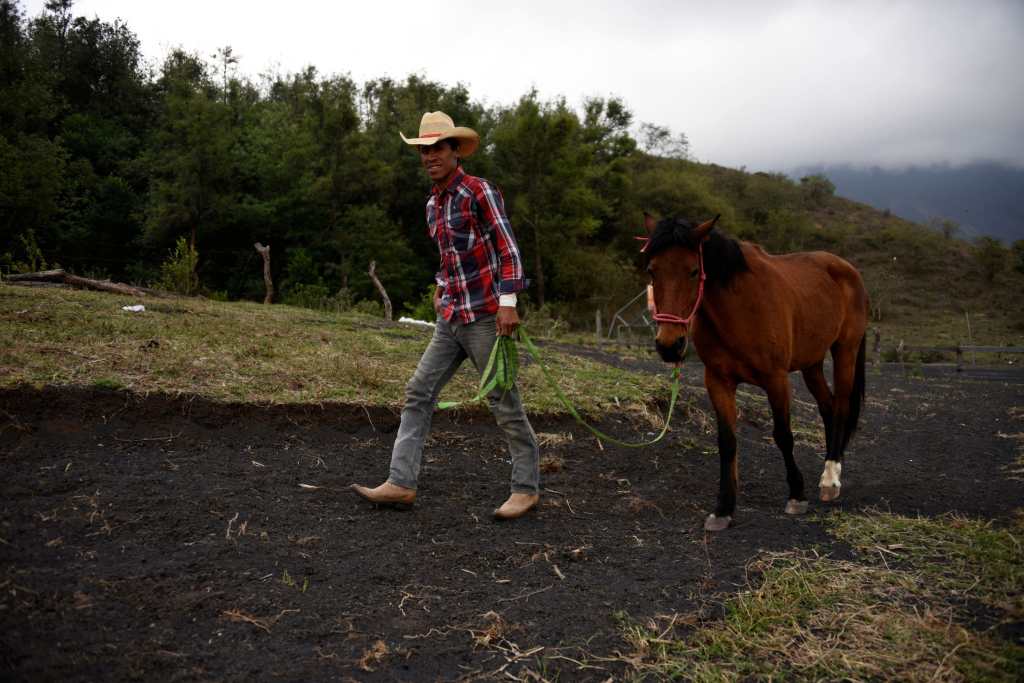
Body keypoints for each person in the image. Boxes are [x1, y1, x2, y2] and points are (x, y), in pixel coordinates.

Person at [350, 111, 541, 520]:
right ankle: (401, 482)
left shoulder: (479, 192)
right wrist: (440, 286)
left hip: (486, 317)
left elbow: (508, 250)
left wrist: (508, 303)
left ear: (455, 151)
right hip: (450, 317)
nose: (430, 156)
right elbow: (449, 256)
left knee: (503, 401)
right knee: (419, 392)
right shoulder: (432, 204)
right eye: (424, 150)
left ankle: (526, 488)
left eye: (437, 148)